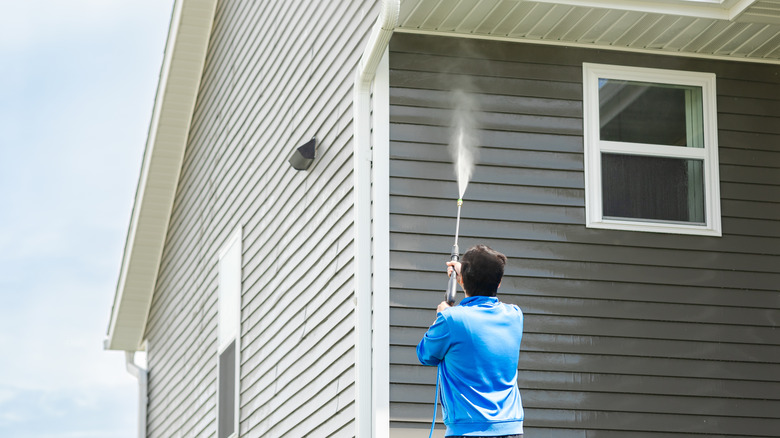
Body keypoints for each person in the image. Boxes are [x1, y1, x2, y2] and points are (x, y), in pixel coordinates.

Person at [417, 244, 524, 438]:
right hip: (511, 430)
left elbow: (425, 355)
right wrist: (465, 274)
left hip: (468, 431)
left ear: (463, 279)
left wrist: (440, 316)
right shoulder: (515, 315)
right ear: (498, 283)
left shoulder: (451, 320)